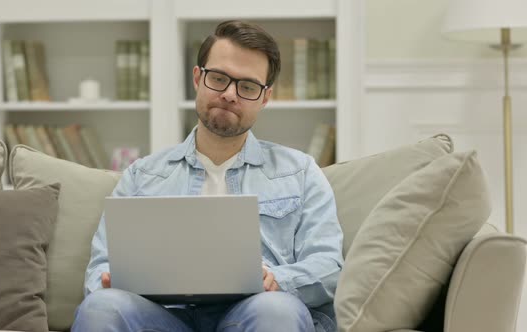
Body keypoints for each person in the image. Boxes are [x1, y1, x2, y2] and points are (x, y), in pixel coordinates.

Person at [72, 20, 343, 332]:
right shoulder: (141, 175)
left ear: (265, 98)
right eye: (219, 78)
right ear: (198, 78)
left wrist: (278, 279)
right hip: (162, 317)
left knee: (277, 309)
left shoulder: (301, 171)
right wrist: (109, 281)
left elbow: (329, 267)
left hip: (257, 313)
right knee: (101, 307)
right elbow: (99, 269)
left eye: (248, 86)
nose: (229, 94)